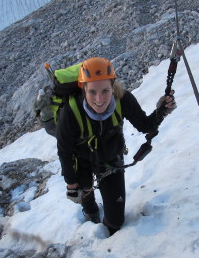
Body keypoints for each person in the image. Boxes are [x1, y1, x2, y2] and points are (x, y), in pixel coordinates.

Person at [56, 57, 176, 235]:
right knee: (85, 193)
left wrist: (162, 111)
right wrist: (71, 184)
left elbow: (144, 125)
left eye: (105, 90)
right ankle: (90, 210)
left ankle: (106, 224)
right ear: (83, 89)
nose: (99, 99)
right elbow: (64, 151)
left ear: (113, 87)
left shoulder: (123, 99)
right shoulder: (71, 112)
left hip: (111, 159)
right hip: (81, 160)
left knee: (116, 221)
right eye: (92, 92)